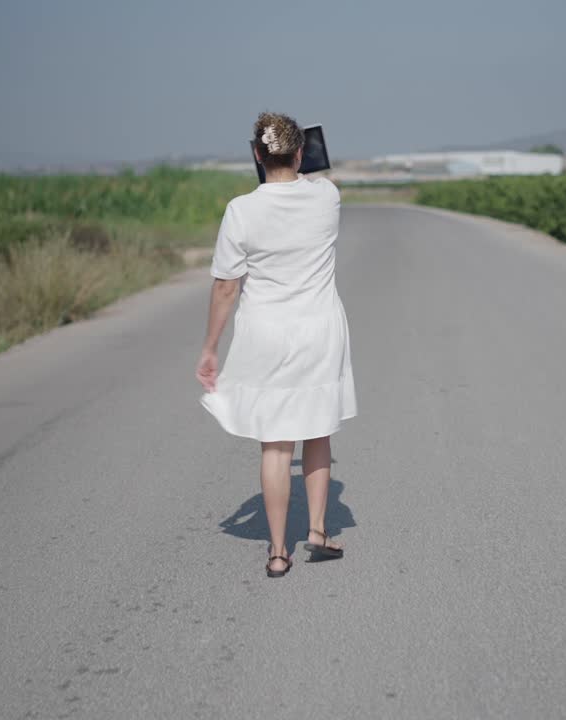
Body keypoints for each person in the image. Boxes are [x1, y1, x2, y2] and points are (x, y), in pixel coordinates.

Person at [196, 112, 357, 578]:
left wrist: (210, 347)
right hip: (319, 330)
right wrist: (300, 160)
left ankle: (277, 552)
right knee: (318, 430)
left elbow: (226, 287)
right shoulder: (327, 197)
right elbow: (308, 181)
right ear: (302, 153)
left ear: (256, 155)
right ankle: (319, 531)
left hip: (266, 333)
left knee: (276, 444)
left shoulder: (241, 210)